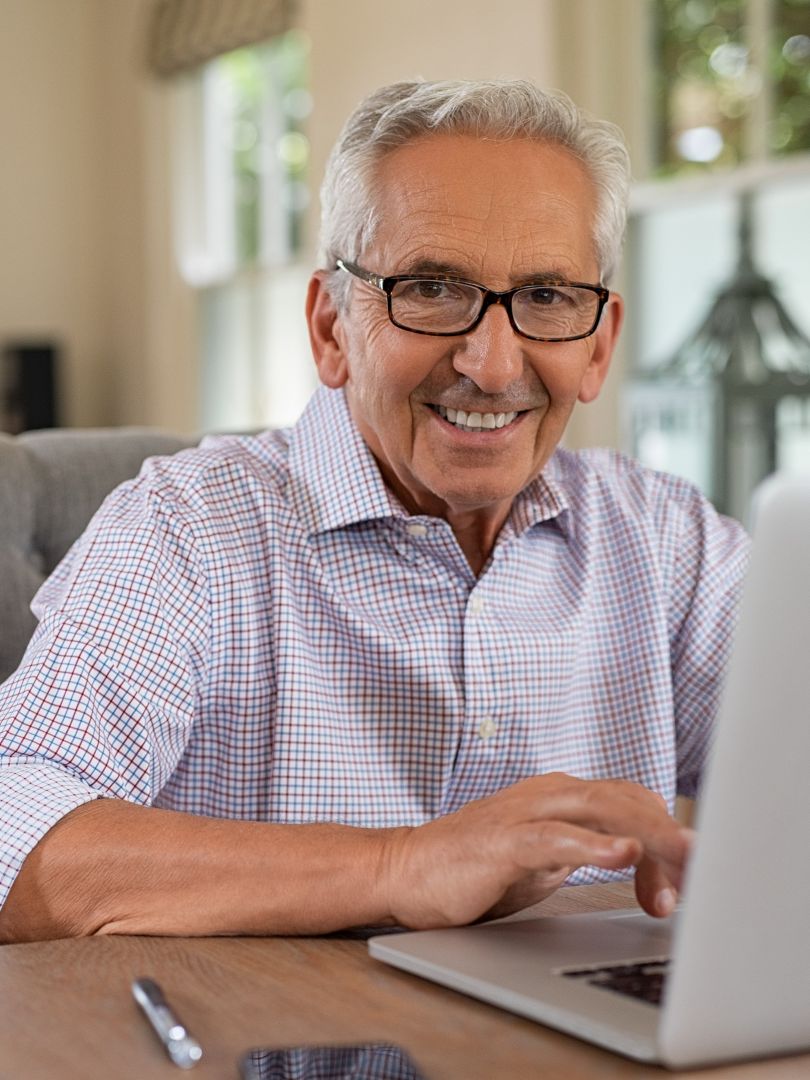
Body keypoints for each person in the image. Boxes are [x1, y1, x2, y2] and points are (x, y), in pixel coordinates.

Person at [0, 79, 748, 943]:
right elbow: (12, 835)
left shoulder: (666, 539)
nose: (495, 365)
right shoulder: (187, 529)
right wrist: (404, 865)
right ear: (331, 326)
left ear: (599, 344)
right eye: (431, 287)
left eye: (546, 297)